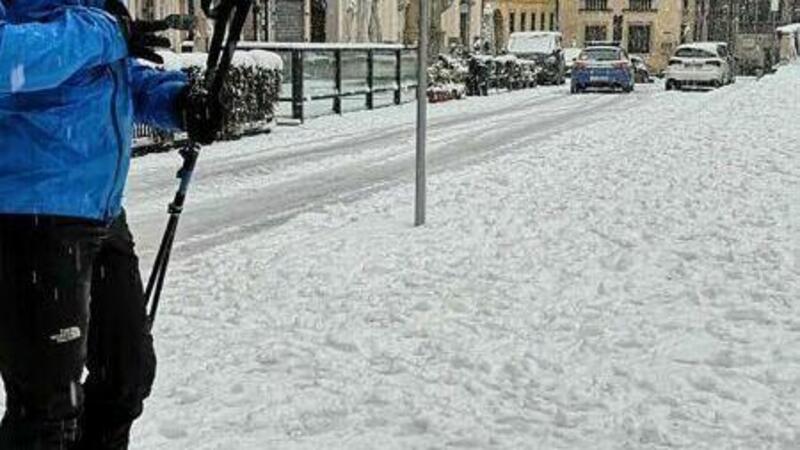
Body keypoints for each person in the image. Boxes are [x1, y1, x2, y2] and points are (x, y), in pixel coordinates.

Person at [0, 0, 220, 448]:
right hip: (30, 214)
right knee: (47, 408)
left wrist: (177, 100)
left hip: (100, 212)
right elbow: (9, 58)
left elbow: (116, 77)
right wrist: (107, 32)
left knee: (125, 376)